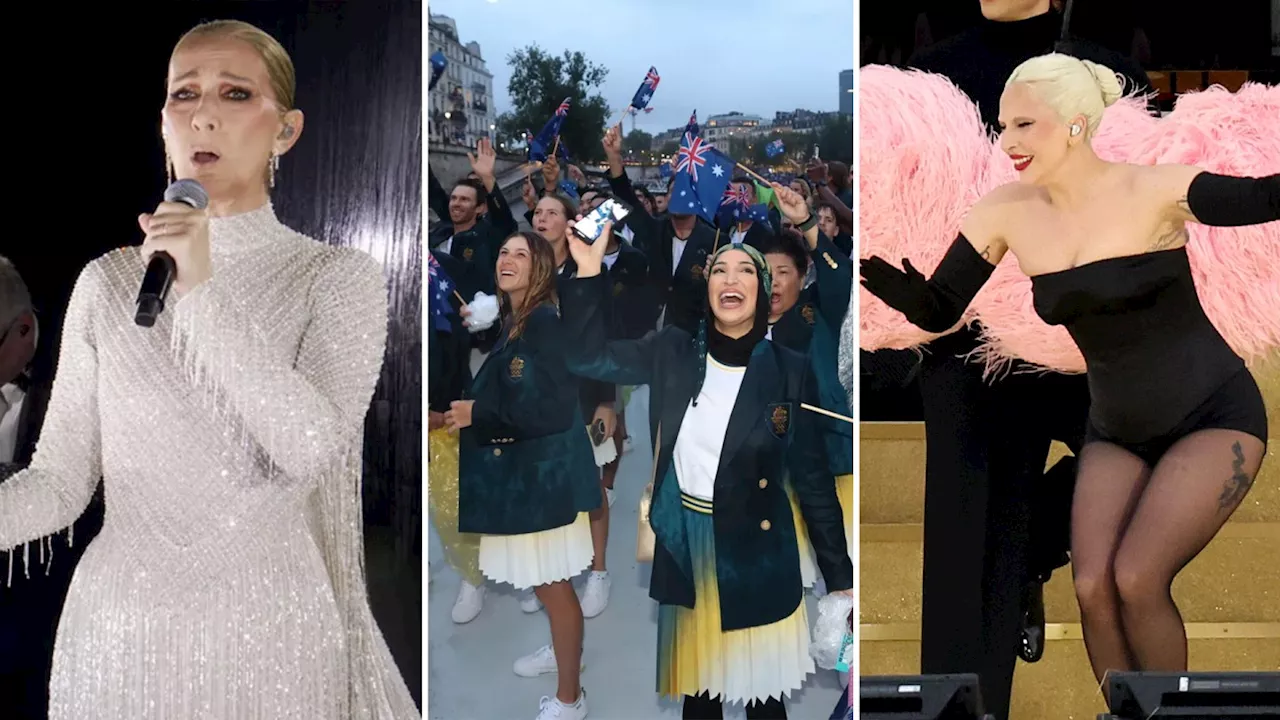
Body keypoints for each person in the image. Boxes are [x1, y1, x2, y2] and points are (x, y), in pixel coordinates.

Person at [0, 20, 417, 720]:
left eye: (234, 92)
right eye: (184, 93)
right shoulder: (106, 282)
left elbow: (311, 445)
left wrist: (201, 294)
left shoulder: (336, 278)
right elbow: (60, 484)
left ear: (285, 130)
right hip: (118, 636)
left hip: (273, 635)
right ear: (163, 123)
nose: (204, 113)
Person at [860, 53, 1278, 687]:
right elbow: (943, 305)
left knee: (1136, 577)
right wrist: (898, 290)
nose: (1009, 143)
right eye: (1004, 127)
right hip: (1115, 430)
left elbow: (1258, 198)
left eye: (1025, 125)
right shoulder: (1006, 212)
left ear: (1077, 124)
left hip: (1212, 415)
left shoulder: (1155, 187)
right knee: (1091, 585)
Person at [561, 219, 854, 720]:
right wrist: (588, 274)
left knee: (765, 704)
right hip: (688, 543)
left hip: (759, 552)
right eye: (720, 269)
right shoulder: (672, 351)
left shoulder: (789, 370)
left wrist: (840, 578)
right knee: (701, 701)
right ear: (708, 286)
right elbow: (588, 358)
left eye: (746, 270)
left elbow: (811, 480)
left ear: (763, 293)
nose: (731, 278)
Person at [445, 231, 599, 720]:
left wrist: (480, 414)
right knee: (542, 583)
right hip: (527, 477)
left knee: (553, 585)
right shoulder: (520, 320)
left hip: (542, 479)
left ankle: (570, 699)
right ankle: (563, 651)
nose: (508, 259)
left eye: (521, 253)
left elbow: (551, 409)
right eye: (504, 251)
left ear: (541, 269)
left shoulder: (545, 323)